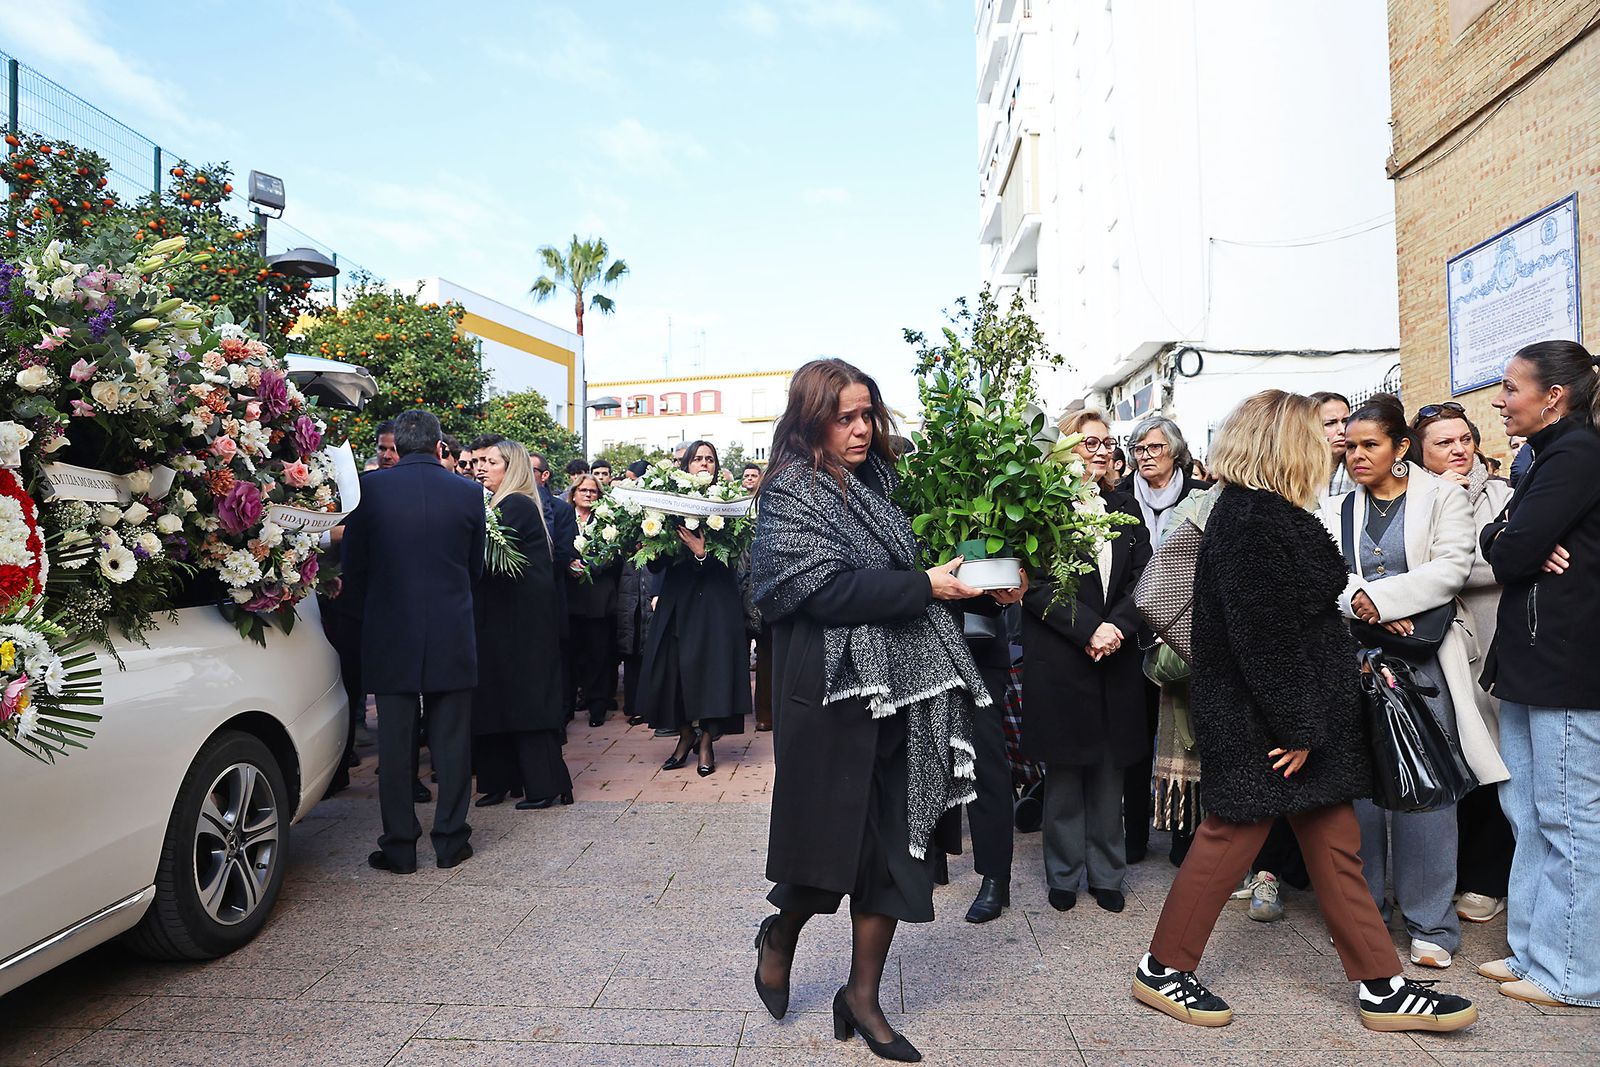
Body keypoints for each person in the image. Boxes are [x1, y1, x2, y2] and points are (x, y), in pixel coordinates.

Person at [1133, 389, 1478, 1034]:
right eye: (1324, 434)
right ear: (1285, 444)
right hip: (1271, 722)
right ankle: (1163, 968)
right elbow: (1264, 639)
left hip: (1284, 717)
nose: (1336, 442)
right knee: (1231, 836)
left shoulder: (1263, 515)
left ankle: (1383, 986)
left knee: (1334, 843)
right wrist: (1302, 727)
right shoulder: (1255, 522)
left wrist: (1308, 721)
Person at [751, 357, 988, 1061]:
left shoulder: (879, 481)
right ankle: (781, 932)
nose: (860, 429)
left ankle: (862, 995)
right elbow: (824, 593)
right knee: (827, 848)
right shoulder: (789, 491)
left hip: (904, 690)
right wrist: (925, 586)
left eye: (867, 415)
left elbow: (892, 573)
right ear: (810, 418)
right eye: (845, 416)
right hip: (830, 695)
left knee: (893, 846)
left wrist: (965, 578)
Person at [1321, 394, 1508, 970]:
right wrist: (1368, 604)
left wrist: (1381, 599)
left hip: (1425, 660)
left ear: (1401, 447)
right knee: (1362, 792)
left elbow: (1452, 566)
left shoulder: (1442, 494)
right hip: (1354, 660)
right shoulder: (1334, 507)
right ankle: (1367, 915)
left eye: (1370, 445)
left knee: (1427, 786)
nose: (1356, 456)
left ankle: (1432, 924)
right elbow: (1327, 573)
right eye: (1350, 446)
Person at [1479, 339, 1600, 1009]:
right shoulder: (1541, 457)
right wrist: (1511, 538)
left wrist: (1513, 540)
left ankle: (1574, 973)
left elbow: (1512, 547)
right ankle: (1533, 947)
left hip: (1566, 666)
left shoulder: (1577, 454)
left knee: (1569, 820)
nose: (1501, 399)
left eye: (1511, 386)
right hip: (1531, 663)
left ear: (1553, 395)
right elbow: (1496, 538)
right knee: (1526, 811)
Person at [341, 409, 484, 874]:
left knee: (396, 744)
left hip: (390, 628)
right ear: (439, 445)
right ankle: (451, 840)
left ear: (397, 446)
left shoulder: (371, 490)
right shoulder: (468, 490)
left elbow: (355, 566)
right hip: (451, 626)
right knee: (452, 741)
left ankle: (400, 845)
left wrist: (371, 612)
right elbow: (474, 565)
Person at [1024, 409, 1150, 914]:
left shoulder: (1127, 508)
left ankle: (1107, 873)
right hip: (1061, 655)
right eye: (1088, 442)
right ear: (1063, 449)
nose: (1100, 451)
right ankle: (1063, 873)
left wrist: (1116, 628)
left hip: (1113, 655)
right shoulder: (1040, 510)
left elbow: (1144, 580)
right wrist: (1087, 629)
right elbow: (1033, 584)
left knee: (1108, 770)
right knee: (1064, 773)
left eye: (1106, 443)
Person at [1411, 402, 1516, 925]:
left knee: (1496, 756)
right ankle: (1443, 876)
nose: (1458, 450)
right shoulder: (1413, 495)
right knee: (1450, 754)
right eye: (1443, 443)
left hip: (1493, 636)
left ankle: (1486, 878)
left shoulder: (1501, 493)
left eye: (1463, 439)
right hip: (1437, 643)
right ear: (1419, 451)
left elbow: (1483, 561)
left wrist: (1442, 564)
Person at [1118, 415, 1207, 865]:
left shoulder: (1200, 497)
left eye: (1154, 448)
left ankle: (1183, 837)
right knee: (1136, 738)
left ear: (1175, 451)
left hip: (1185, 635)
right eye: (1138, 448)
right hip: (1134, 633)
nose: (1145, 456)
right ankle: (1134, 834)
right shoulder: (1118, 502)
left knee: (1184, 738)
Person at [637, 440, 752, 774]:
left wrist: (701, 552)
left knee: (713, 671)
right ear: (686, 465)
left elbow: (733, 560)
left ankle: (706, 744)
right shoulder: (665, 501)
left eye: (710, 459)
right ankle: (685, 735)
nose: (704, 464)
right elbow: (656, 566)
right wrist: (650, 540)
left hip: (715, 603)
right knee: (671, 669)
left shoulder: (729, 503)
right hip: (677, 600)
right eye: (698, 459)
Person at [471, 439, 570, 809]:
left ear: (510, 468)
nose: (481, 467)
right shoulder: (501, 503)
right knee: (497, 697)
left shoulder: (516, 505)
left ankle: (544, 785)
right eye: (479, 461)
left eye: (490, 462)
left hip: (522, 626)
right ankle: (500, 780)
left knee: (525, 701)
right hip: (502, 622)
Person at [567, 474, 620, 726]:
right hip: (572, 596)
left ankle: (598, 705)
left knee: (599, 653)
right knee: (575, 654)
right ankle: (576, 699)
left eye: (593, 491)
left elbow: (615, 554)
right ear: (574, 493)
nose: (588, 494)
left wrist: (591, 565)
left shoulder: (606, 520)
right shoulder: (564, 517)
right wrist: (569, 563)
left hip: (600, 596)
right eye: (584, 490)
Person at [1311, 391, 1353, 498]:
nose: (1342, 430)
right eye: (1330, 423)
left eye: (1345, 421)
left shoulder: (1360, 467)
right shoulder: (1296, 473)